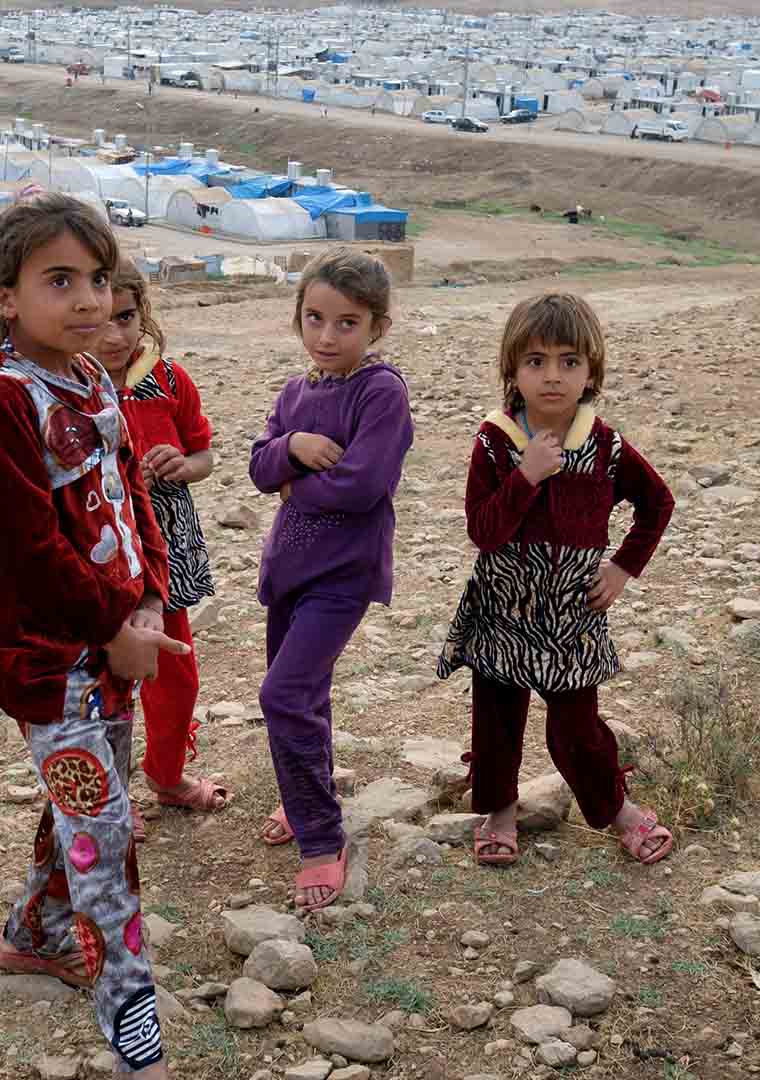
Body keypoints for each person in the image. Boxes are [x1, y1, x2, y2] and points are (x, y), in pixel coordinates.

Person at [0, 194, 180, 1079]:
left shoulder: (89, 380)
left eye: (96, 280)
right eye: (60, 281)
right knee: (108, 832)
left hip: (115, 642)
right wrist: (113, 628)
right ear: (8, 297)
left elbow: (133, 499)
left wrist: (151, 601)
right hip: (52, 664)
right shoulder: (0, 402)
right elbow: (31, 552)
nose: (89, 301)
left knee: (89, 800)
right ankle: (135, 1038)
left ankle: (34, 935)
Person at [435, 293, 676, 868]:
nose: (552, 376)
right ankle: (498, 810)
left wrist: (622, 567)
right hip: (504, 603)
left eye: (570, 361)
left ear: (591, 370)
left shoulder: (606, 446)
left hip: (573, 610)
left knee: (577, 725)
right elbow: (483, 532)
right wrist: (525, 476)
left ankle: (616, 809)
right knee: (496, 716)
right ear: (512, 370)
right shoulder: (495, 441)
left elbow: (657, 504)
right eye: (536, 361)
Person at [249, 248, 413, 912]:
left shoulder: (381, 391)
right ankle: (301, 793)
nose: (326, 336)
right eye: (314, 318)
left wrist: (295, 482)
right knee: (306, 697)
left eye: (346, 323)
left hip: (342, 577)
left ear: (377, 326)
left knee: (282, 695)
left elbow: (364, 484)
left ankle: (321, 837)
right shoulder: (295, 394)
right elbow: (258, 466)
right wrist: (289, 450)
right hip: (288, 571)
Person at [96, 258, 228, 833]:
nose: (115, 335)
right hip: (98, 553)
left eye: (126, 317)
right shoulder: (67, 385)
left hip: (165, 549)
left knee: (176, 671)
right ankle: (108, 794)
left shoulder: (169, 380)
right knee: (104, 677)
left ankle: (167, 774)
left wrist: (185, 465)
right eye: (100, 320)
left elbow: (203, 453)